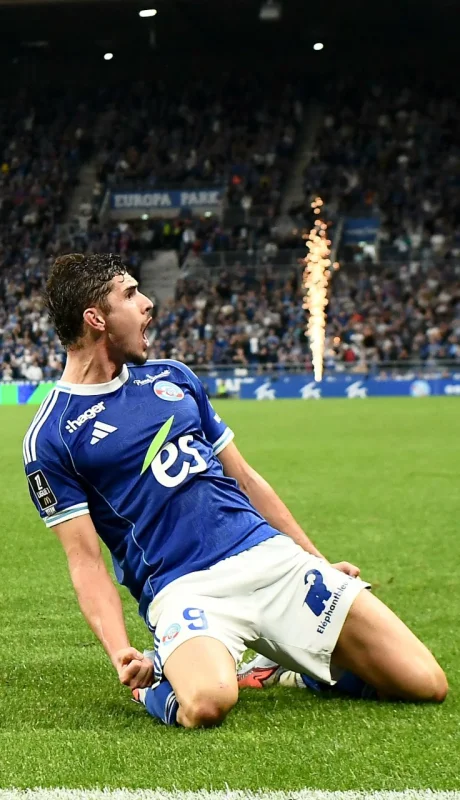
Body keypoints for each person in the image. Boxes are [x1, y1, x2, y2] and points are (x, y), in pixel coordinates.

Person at [23, 253, 447, 729]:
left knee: (424, 684)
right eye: (130, 293)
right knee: (206, 704)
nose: (147, 304)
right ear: (95, 318)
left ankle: (293, 670)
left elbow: (246, 480)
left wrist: (315, 558)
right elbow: (85, 560)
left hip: (269, 557)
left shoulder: (173, 377)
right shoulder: (51, 437)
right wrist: (120, 650)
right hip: (185, 587)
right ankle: (156, 683)